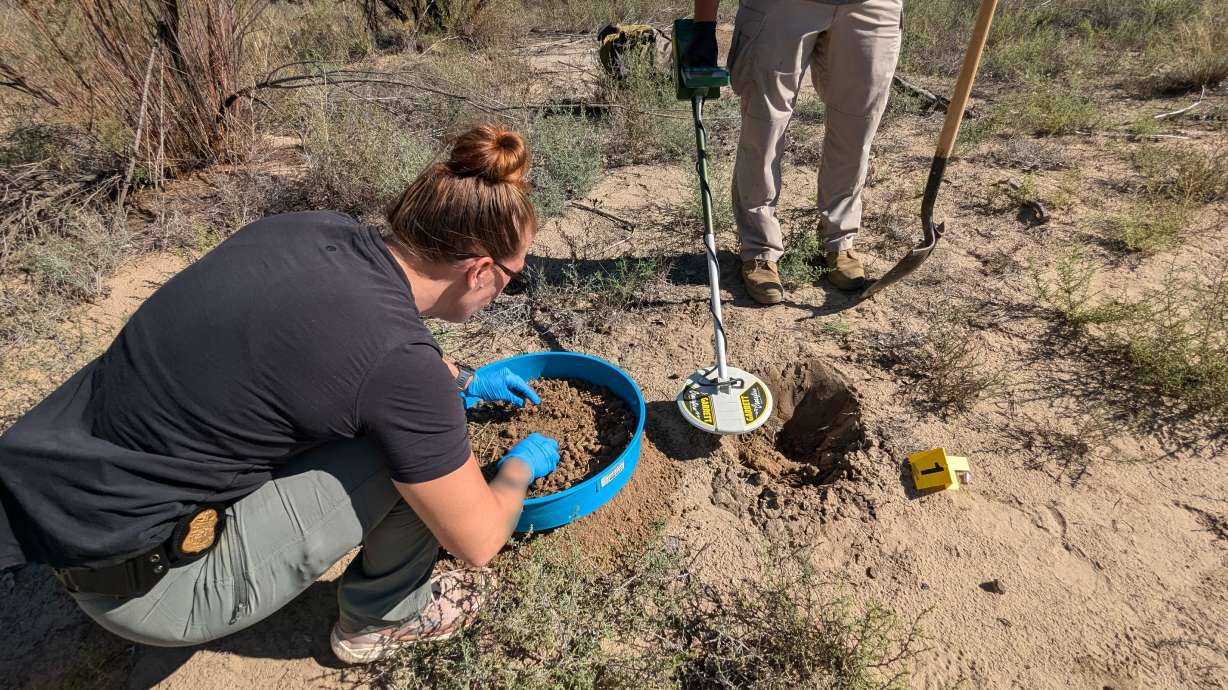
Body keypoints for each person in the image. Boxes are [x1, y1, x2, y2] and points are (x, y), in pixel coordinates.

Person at [0, 124, 560, 665]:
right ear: (480, 271)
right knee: (416, 452)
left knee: (408, 423)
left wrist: (458, 379)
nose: (507, 289)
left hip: (64, 509)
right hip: (146, 590)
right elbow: (480, 540)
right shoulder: (401, 371)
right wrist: (513, 471)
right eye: (515, 275)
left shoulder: (310, 229)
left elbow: (333, 348)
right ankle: (381, 623)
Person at [687, 0, 904, 303]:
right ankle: (759, 249)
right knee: (763, 129)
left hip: (870, 7)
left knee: (856, 130)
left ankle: (839, 241)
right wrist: (704, 26)